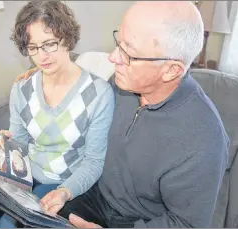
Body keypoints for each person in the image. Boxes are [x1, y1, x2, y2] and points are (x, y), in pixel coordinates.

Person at [16, 1, 229, 228]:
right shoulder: (122, 84)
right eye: (119, 42)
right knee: (24, 218)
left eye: (129, 53)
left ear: (171, 70)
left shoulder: (204, 141)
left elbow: (188, 224)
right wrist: (49, 76)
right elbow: (83, 98)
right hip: (93, 195)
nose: (113, 57)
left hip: (138, 223)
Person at [0, 1, 114, 228]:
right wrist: (2, 147)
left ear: (67, 39)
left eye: (49, 44)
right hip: (27, 173)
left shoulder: (98, 94)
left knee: (10, 224)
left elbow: (94, 161)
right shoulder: (22, 89)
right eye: (33, 48)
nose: (42, 56)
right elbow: (19, 142)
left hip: (65, 181)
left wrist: (65, 192)